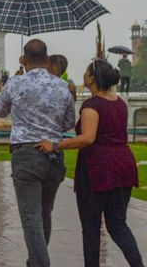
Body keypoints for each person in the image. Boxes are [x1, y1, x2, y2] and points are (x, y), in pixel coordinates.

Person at [36, 59, 144, 267]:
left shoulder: (92, 105)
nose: (84, 74)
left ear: (92, 78)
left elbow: (87, 138)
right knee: (118, 224)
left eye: (86, 71)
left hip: (98, 168)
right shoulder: (119, 102)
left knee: (92, 227)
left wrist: (55, 145)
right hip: (122, 165)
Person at [0, 39, 75, 267]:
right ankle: (36, 262)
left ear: (24, 59)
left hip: (26, 155)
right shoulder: (61, 85)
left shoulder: (15, 83)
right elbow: (69, 123)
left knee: (31, 218)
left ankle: (40, 264)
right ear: (48, 59)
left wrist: (17, 80)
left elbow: (0, 112)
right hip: (53, 156)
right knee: (43, 214)